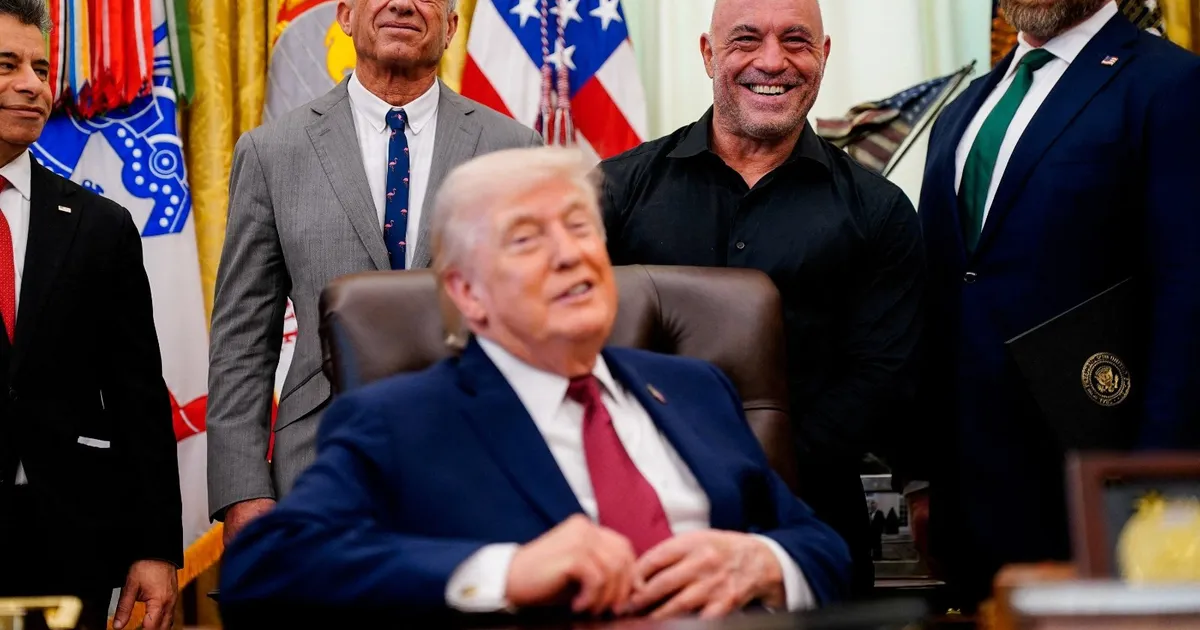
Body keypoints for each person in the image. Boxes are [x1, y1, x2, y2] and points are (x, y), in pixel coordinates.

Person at [218, 147, 852, 618]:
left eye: (580, 227)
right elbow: (265, 569)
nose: (570, 253)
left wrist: (763, 563)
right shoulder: (402, 419)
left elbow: (819, 545)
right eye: (526, 239)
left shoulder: (694, 389)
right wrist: (505, 572)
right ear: (468, 293)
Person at [598, 0, 924, 595]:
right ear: (708, 54)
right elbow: (576, 349)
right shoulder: (616, 191)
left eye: (796, 41)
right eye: (746, 40)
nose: (772, 62)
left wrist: (758, 474)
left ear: (824, 55)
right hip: (636, 526)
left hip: (812, 533)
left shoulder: (880, 213)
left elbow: (882, 380)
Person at [207, 0, 542, 544]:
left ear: (451, 27)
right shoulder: (272, 152)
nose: (403, 4)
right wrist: (244, 491)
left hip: (475, 467)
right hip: (315, 467)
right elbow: (242, 337)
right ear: (344, 16)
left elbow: (534, 328)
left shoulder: (514, 150)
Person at [916, 0, 1200, 605]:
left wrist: (1154, 483)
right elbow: (940, 297)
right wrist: (924, 478)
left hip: (1095, 484)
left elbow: (1188, 296)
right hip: (968, 494)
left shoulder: (1173, 85)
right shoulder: (962, 111)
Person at [0, 1, 182, 629]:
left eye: (40, 67)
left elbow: (138, 396)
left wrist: (156, 546)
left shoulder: (101, 226)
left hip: (68, 540)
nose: (32, 84)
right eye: (6, 65)